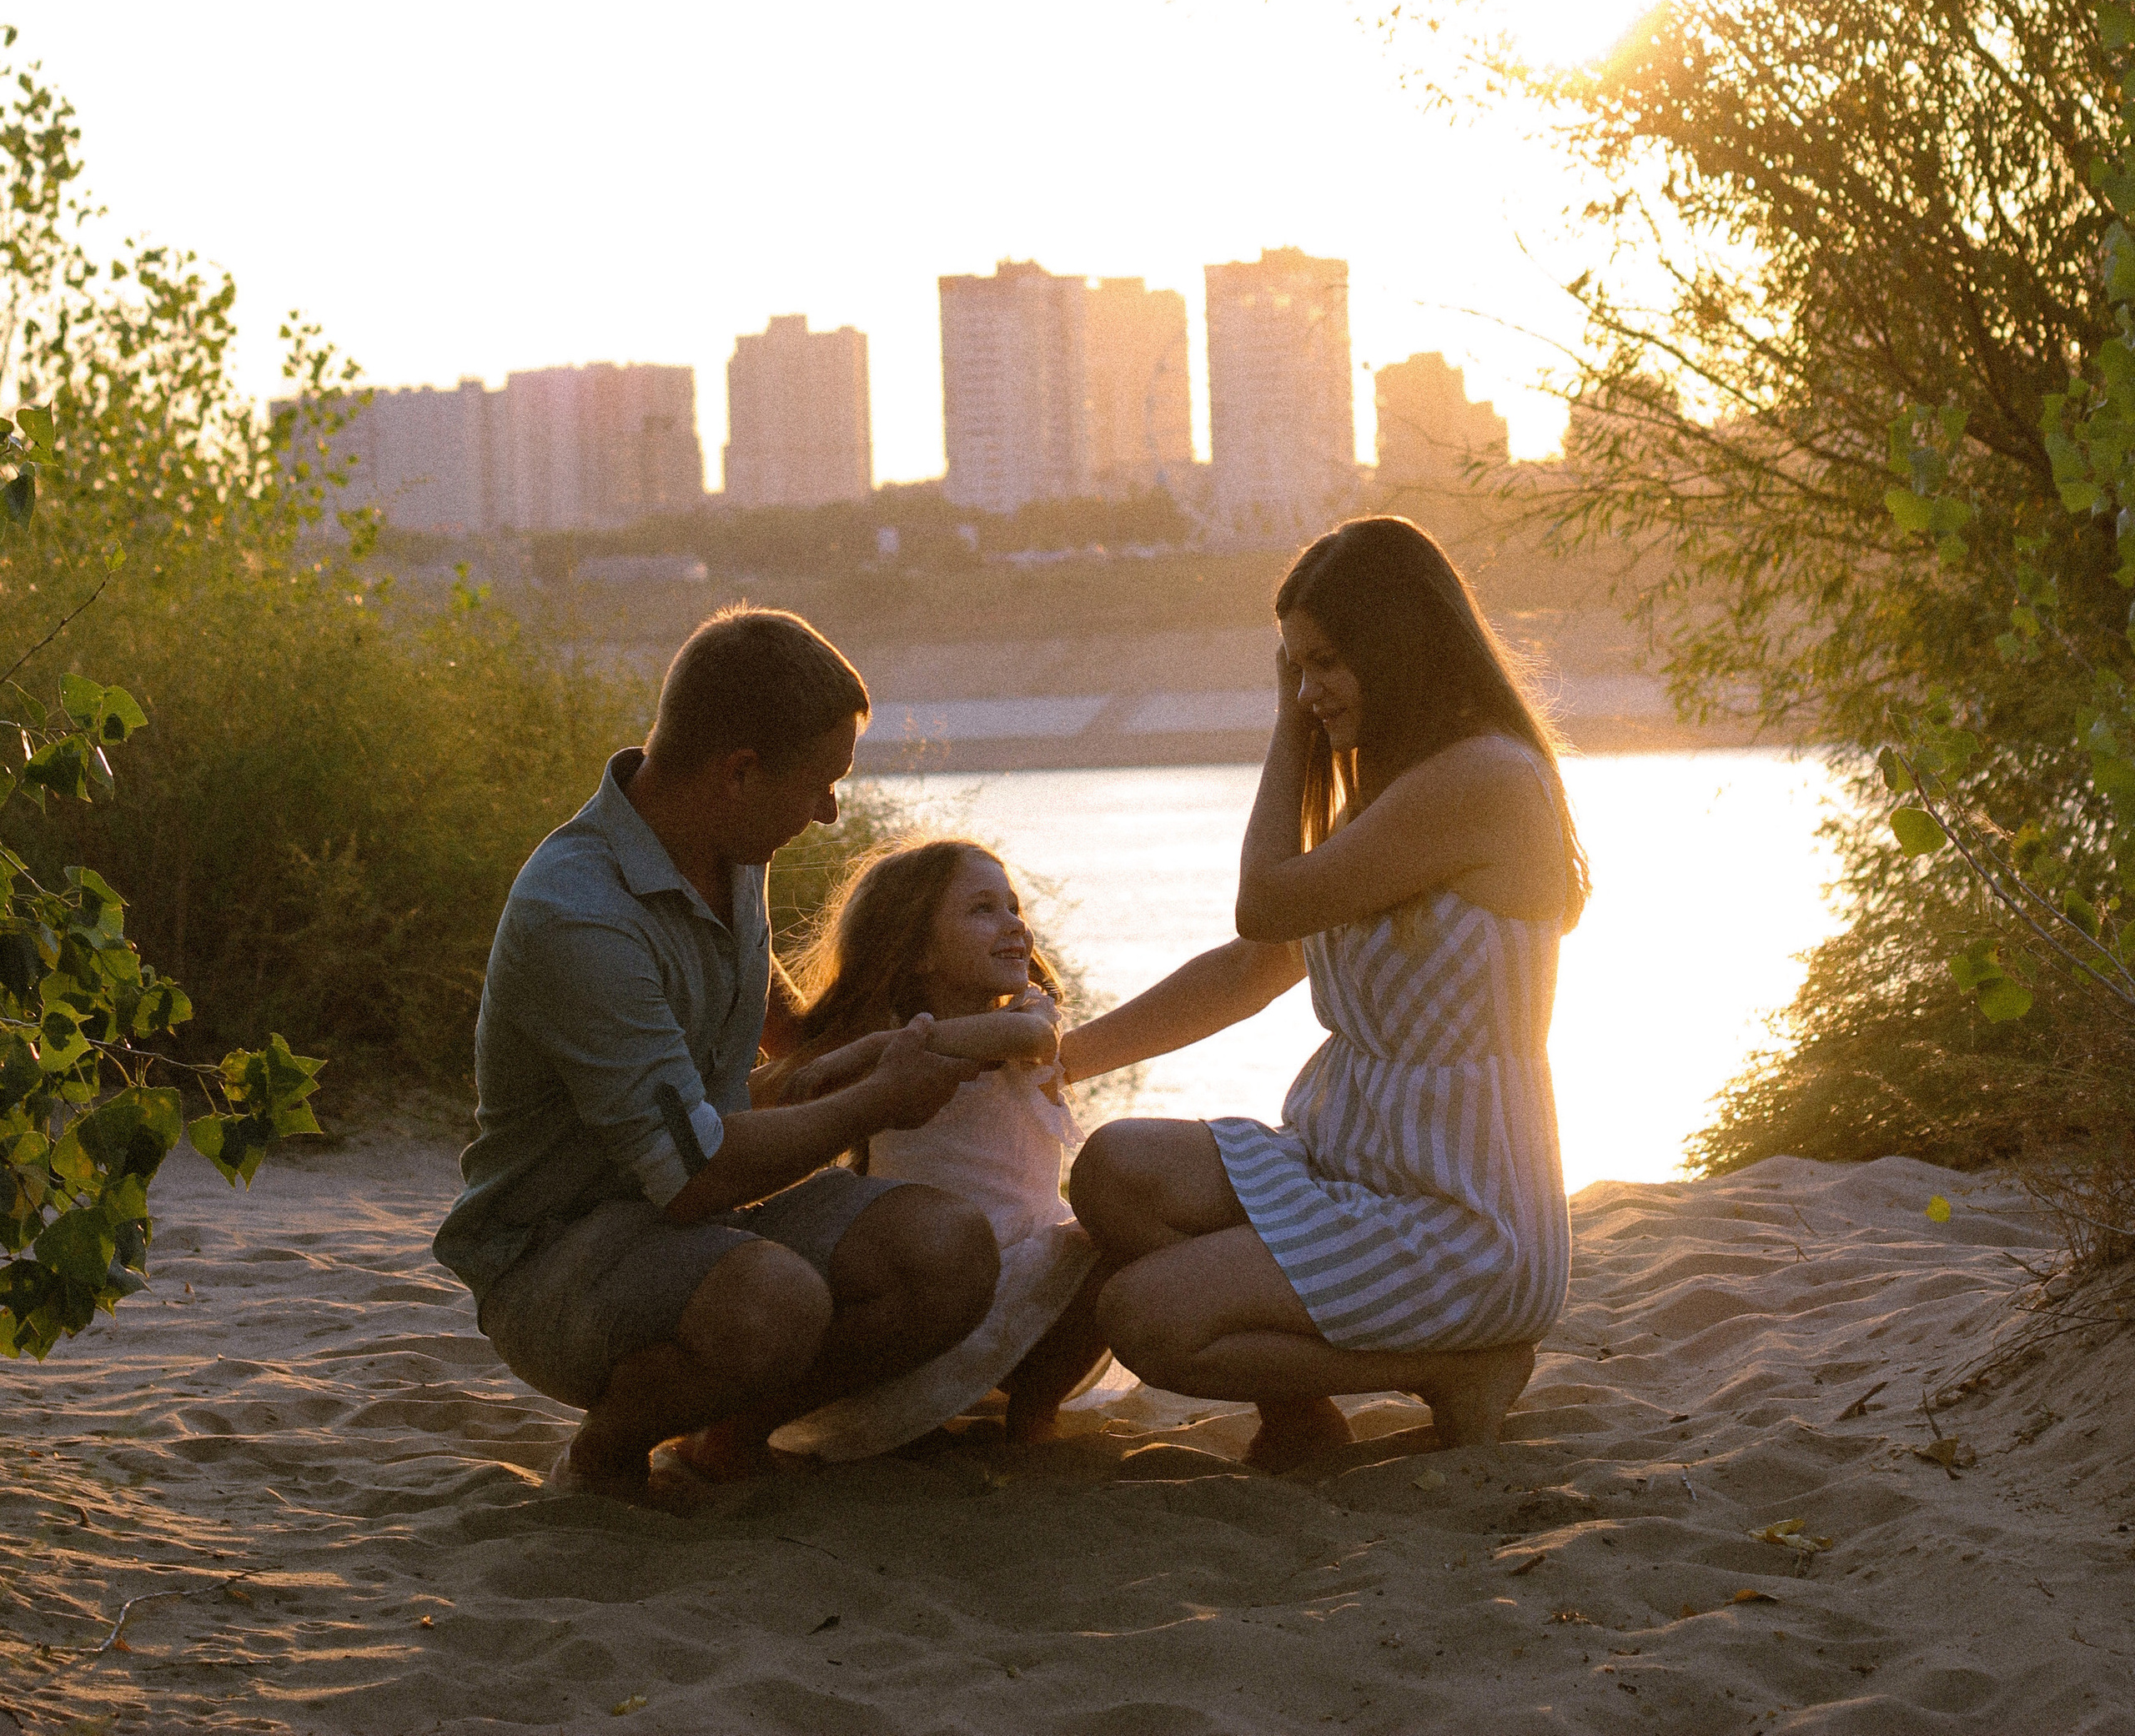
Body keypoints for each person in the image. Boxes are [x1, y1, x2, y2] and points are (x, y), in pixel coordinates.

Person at [433, 607, 1002, 1502]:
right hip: (559, 1255)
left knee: (950, 1251)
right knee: (774, 1301)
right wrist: (874, 1099)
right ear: (739, 773)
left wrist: (883, 1040)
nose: (829, 811)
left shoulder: (724, 842)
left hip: (704, 1231)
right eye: (820, 784)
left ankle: (725, 1437)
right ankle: (606, 1454)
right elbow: (694, 1174)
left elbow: (762, 999)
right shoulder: (578, 912)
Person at [1070, 515, 1589, 1468]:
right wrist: (1063, 1061)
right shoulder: (1403, 789)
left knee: (1145, 1320)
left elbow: (1262, 906)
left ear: (1400, 651)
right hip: (1351, 1165)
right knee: (1110, 1169)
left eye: (1324, 664)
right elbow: (1252, 968)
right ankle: (1299, 1409)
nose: (1306, 691)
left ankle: (1450, 1368)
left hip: (1460, 1215)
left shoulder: (1481, 780)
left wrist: (1284, 729)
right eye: (1291, 668)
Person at [761, 835, 1307, 1457]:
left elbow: (1025, 1036)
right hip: (933, 1281)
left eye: (1014, 906)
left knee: (1100, 1247)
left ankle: (1033, 1414)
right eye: (982, 910)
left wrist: (866, 1053)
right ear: (916, 952)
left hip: (1030, 1271)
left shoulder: (1024, 1021)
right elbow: (787, 1081)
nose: (1014, 924)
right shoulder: (883, 1041)